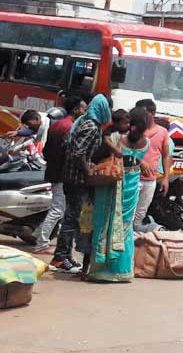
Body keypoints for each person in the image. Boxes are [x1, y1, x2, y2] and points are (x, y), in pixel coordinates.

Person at [86, 111, 147, 284]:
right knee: (125, 226)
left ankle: (101, 271)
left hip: (111, 183)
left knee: (104, 222)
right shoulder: (146, 143)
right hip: (132, 185)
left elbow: (96, 156)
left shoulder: (114, 139)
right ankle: (123, 270)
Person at [52, 94, 109, 273]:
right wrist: (88, 170)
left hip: (73, 177)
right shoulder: (91, 126)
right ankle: (60, 257)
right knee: (71, 218)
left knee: (73, 218)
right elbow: (78, 153)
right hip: (76, 179)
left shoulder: (87, 122)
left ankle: (66, 256)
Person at [33, 96, 83, 255]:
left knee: (58, 209)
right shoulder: (71, 127)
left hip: (54, 172)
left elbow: (46, 151)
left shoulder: (57, 125)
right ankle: (41, 242)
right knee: (57, 210)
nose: (85, 112)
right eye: (83, 109)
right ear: (75, 110)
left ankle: (38, 234)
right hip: (63, 174)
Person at [130, 99, 171, 231]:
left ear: (152, 113)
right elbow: (125, 151)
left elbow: (166, 156)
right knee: (127, 215)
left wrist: (165, 177)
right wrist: (140, 162)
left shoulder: (163, 132)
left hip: (150, 181)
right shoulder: (135, 130)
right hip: (133, 179)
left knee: (139, 215)